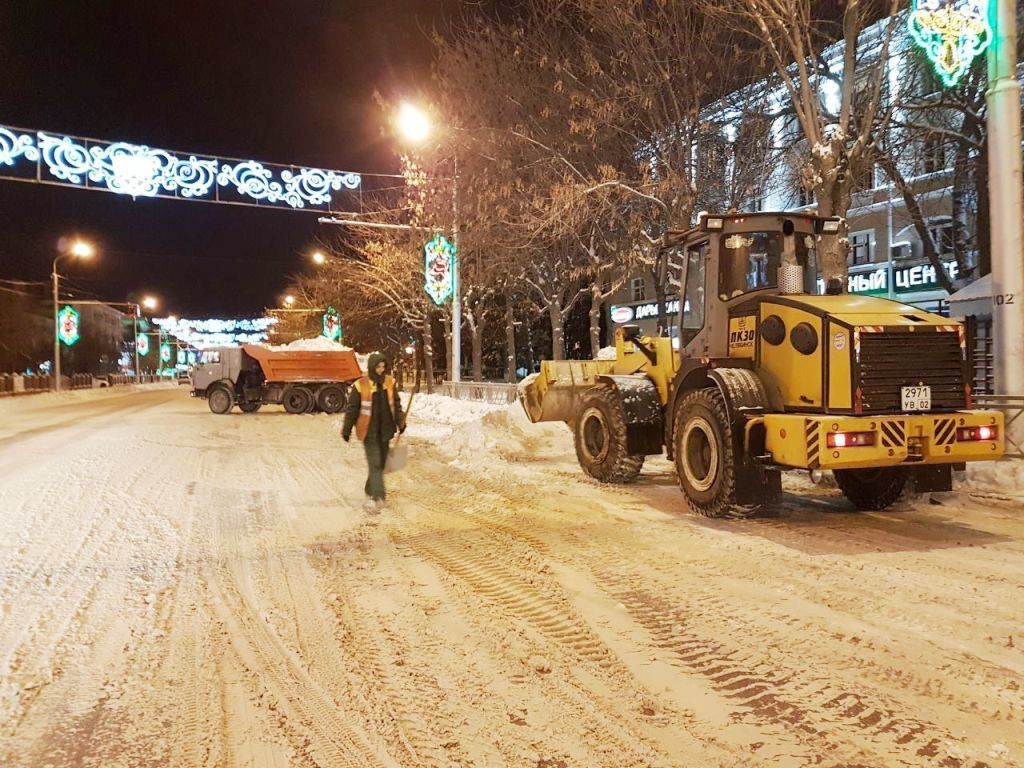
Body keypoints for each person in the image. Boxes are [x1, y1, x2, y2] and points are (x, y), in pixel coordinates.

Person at [341, 351, 405, 513]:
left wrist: (400, 421)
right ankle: (378, 497)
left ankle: (370, 489)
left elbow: (396, 405)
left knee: (381, 464)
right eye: (378, 367)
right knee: (375, 463)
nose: (381, 370)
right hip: (368, 432)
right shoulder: (360, 385)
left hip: (386, 430)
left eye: (383, 367)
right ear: (371, 367)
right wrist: (347, 429)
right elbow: (352, 409)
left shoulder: (389, 383)